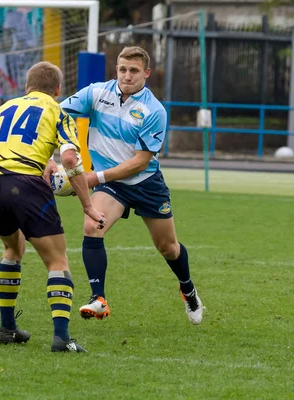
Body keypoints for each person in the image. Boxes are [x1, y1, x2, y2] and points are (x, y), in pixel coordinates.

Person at [0, 62, 106, 352]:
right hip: (27, 184)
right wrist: (87, 206)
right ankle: (61, 338)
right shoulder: (57, 111)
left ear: (27, 87)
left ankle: (8, 328)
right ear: (58, 90)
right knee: (57, 261)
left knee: (13, 249)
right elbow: (72, 162)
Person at [53, 46, 204, 324]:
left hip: (145, 184)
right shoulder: (96, 93)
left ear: (146, 73)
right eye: (123, 69)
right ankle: (98, 298)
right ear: (116, 70)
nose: (127, 75)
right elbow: (55, 113)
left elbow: (139, 163)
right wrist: (59, 153)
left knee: (168, 247)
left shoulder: (154, 110)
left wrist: (94, 177)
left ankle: (188, 288)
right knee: (91, 226)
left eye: (134, 70)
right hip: (114, 186)